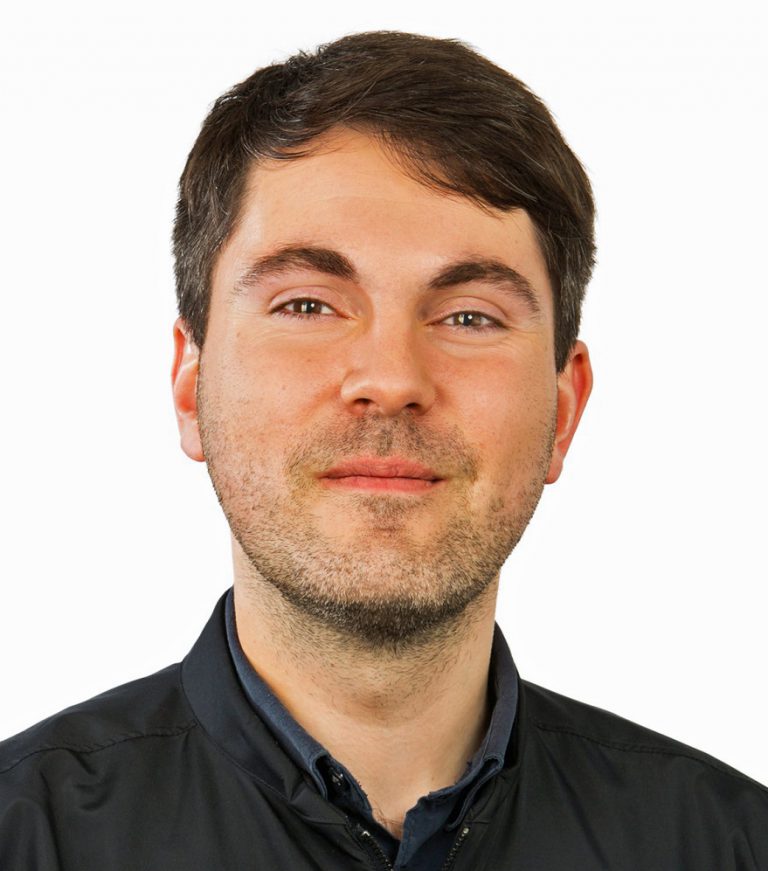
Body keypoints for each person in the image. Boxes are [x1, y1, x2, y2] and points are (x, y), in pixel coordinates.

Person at [0, 29, 765, 871]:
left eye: (469, 316)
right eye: (307, 305)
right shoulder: (25, 838)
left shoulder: (730, 846)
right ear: (191, 385)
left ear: (563, 409)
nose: (392, 378)